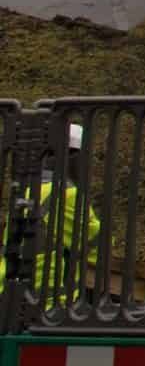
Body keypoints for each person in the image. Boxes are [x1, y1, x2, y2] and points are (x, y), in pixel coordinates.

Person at [2, 121, 101, 312]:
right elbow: (96, 247)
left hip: (13, 299)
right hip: (50, 305)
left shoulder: (28, 190)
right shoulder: (67, 194)